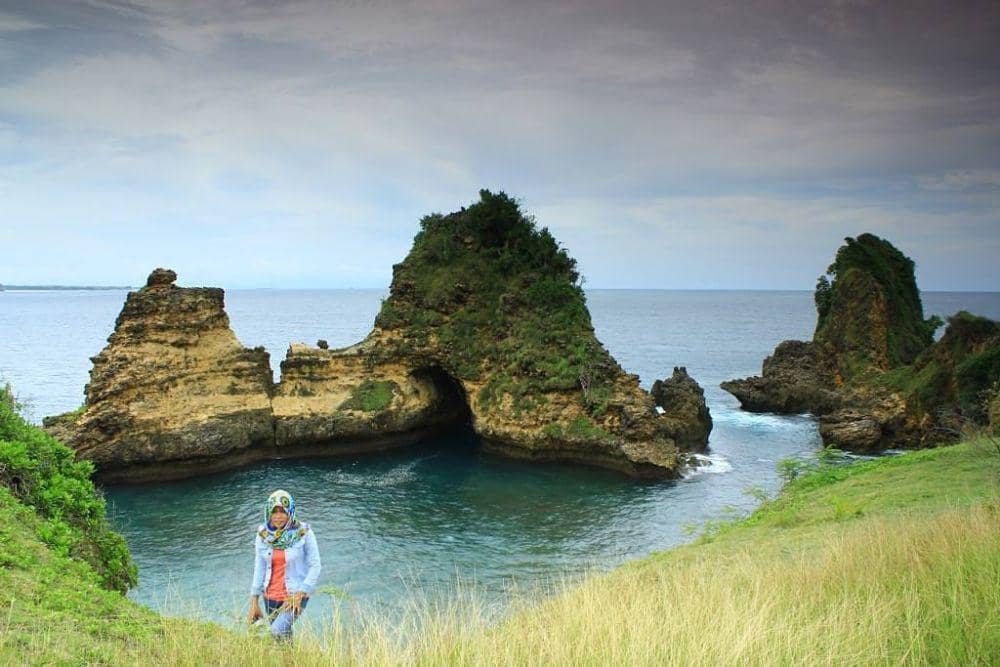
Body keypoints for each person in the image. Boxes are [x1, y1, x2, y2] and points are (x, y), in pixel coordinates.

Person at [248, 489, 321, 641]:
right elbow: (259, 566)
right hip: (270, 596)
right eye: (274, 511)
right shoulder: (263, 534)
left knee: (276, 631)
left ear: (290, 511)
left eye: (283, 511)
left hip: (294, 595)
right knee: (283, 640)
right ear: (268, 512)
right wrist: (254, 600)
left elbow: (315, 566)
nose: (278, 517)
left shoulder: (304, 532)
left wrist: (301, 593)